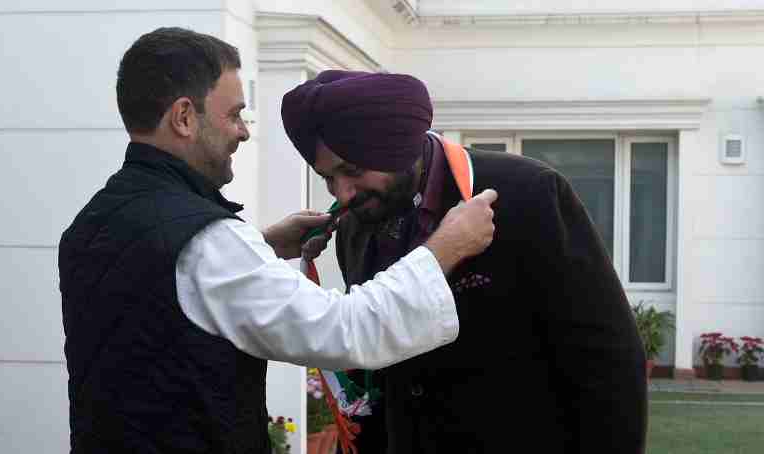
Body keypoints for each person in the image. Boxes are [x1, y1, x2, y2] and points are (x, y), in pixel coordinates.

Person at [58, 28, 498, 454]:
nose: (243, 132)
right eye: (233, 115)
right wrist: (445, 248)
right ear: (184, 117)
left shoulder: (96, 221)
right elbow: (347, 330)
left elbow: (163, 298)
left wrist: (259, 246)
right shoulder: (208, 243)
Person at [282, 70, 648, 454]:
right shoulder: (356, 223)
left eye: (353, 170)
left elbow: (608, 362)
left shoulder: (529, 193)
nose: (343, 192)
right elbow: (379, 370)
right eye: (327, 177)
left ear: (399, 145)